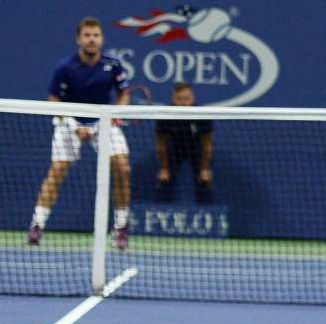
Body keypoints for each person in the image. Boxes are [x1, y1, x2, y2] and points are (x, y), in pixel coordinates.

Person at [29, 18, 132, 250]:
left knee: (123, 168)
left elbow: (124, 93)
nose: (91, 40)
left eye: (96, 35)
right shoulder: (65, 67)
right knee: (57, 171)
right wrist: (74, 126)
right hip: (70, 121)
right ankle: (37, 225)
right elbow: (53, 99)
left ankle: (121, 228)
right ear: (79, 39)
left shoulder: (113, 65)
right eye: (87, 35)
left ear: (102, 39)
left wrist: (116, 114)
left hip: (103, 121)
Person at [154, 82, 214, 203]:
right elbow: (161, 145)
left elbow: (207, 145)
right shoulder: (165, 115)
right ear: (173, 99)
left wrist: (205, 168)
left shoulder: (202, 115)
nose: (183, 103)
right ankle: (162, 205)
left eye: (186, 99)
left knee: (205, 179)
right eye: (179, 99)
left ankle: (206, 206)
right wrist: (164, 168)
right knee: (163, 179)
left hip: (196, 148)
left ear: (193, 98)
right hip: (174, 148)